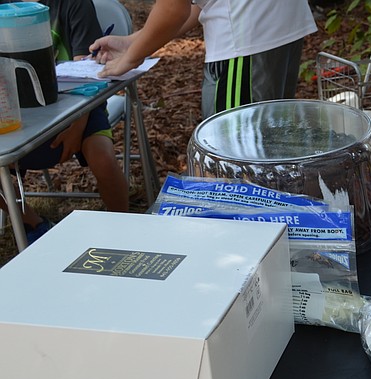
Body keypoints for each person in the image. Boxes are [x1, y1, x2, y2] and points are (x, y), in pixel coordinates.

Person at [0, 0, 130, 244]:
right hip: (19, 113)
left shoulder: (74, 4)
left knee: (102, 158)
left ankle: (125, 227)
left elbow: (87, 71)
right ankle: (33, 224)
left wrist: (76, 128)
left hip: (81, 107)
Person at [91, 0, 318, 119]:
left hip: (245, 38)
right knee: (268, 142)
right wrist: (134, 42)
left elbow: (172, 8)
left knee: (233, 159)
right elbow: (199, 4)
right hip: (277, 25)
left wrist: (132, 57)